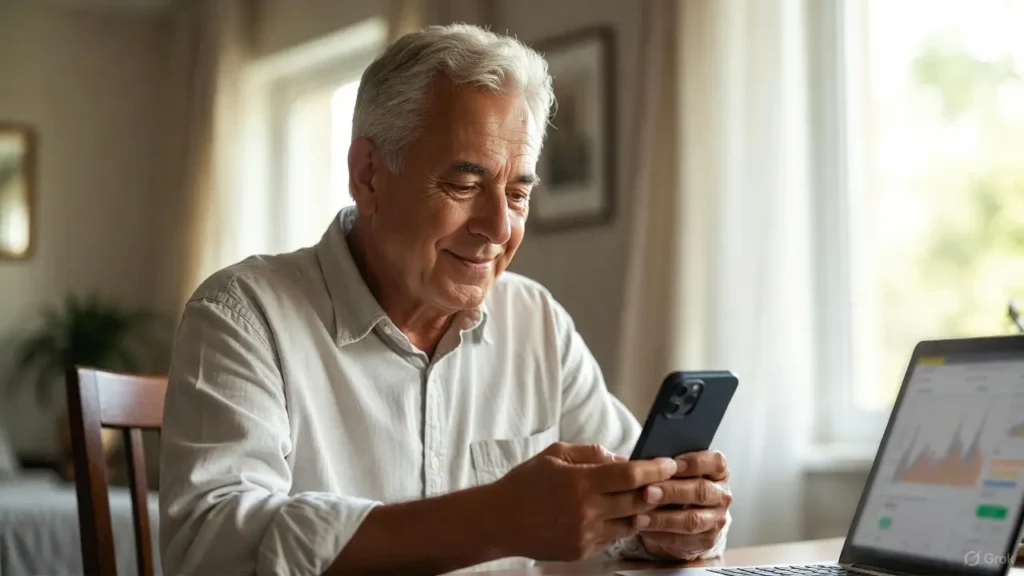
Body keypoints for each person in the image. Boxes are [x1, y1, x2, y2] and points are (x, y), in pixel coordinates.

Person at [159, 23, 732, 575]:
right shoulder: (244, 314)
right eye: (463, 186)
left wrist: (671, 522)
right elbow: (213, 549)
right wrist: (497, 519)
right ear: (368, 175)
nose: (498, 227)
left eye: (517, 192)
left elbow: (630, 509)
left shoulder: (536, 323)